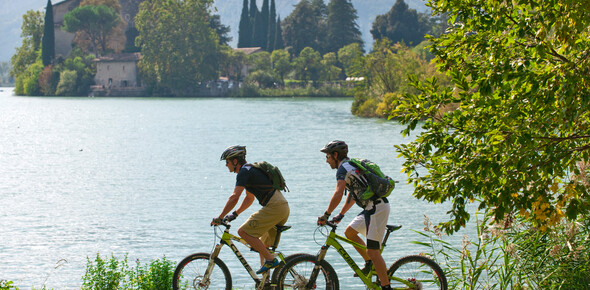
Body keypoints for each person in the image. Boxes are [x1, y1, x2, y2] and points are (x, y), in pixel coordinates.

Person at [317, 140, 392, 290]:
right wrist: (341, 214)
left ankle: (386, 286)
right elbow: (354, 194)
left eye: (328, 157)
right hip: (371, 207)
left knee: (373, 251)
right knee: (350, 233)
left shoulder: (343, 169)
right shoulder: (350, 166)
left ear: (336, 155)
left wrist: (326, 215)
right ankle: (369, 263)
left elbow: (338, 193)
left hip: (377, 208)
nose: (326, 161)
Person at [211, 145, 290, 274]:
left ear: (235, 161)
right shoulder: (249, 170)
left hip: (275, 207)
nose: (226, 165)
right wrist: (235, 214)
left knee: (243, 232)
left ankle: (271, 260)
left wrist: (220, 217)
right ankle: (267, 283)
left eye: (227, 162)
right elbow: (249, 198)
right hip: (281, 207)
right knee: (263, 246)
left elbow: (234, 197)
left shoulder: (244, 172)